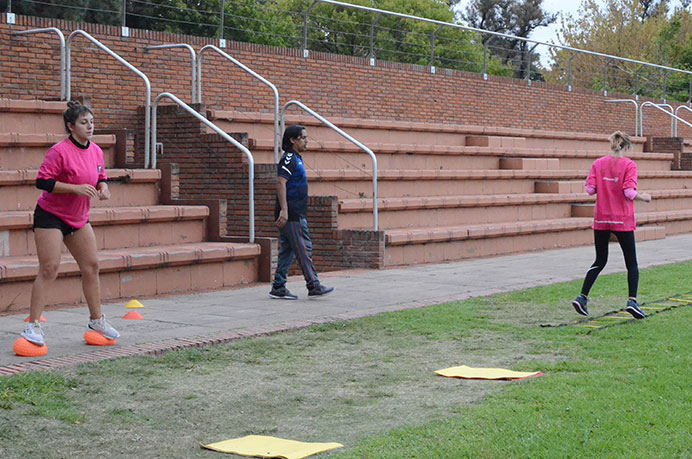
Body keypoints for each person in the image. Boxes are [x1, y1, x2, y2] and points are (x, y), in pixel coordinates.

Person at [20, 100, 120, 347]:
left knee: (92, 266)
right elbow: (43, 182)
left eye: (92, 122)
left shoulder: (96, 150)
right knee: (49, 268)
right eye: (84, 123)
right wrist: (75, 189)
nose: (90, 127)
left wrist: (103, 188)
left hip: (78, 218)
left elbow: (101, 177)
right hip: (50, 215)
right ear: (70, 126)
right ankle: (32, 325)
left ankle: (97, 320)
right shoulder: (59, 151)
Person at [572, 131, 652, 319]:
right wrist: (645, 197)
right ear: (627, 147)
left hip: (601, 218)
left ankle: (582, 297)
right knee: (631, 263)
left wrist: (603, 183)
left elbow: (590, 190)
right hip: (621, 219)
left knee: (600, 260)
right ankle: (632, 300)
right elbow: (629, 192)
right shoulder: (630, 165)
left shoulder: (597, 164)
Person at [269, 125, 334, 300]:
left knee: (288, 251)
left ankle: (278, 287)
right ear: (292, 140)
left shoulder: (296, 158)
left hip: (295, 212)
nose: (306, 141)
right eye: (303, 138)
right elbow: (280, 182)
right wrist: (284, 210)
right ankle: (313, 285)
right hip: (292, 214)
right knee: (303, 248)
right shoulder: (289, 158)